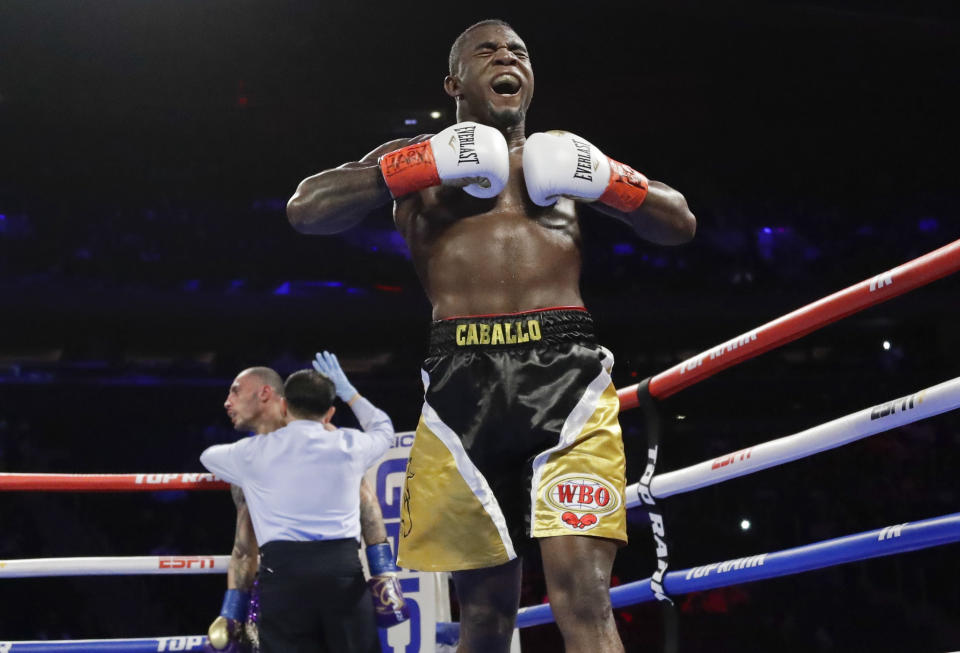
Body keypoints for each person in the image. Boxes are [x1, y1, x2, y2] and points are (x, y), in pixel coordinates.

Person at [286, 19, 696, 653]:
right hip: (460, 383)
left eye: (520, 51)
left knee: (584, 600)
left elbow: (680, 222)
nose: (508, 56)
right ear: (454, 81)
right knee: (483, 613)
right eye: (488, 49)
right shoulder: (414, 160)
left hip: (569, 379)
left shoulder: (565, 157)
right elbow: (306, 209)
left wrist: (609, 178)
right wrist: (417, 165)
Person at [201, 355, 399, 653]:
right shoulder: (343, 443)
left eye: (235, 391)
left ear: (272, 397)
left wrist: (384, 577)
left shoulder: (247, 455)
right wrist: (232, 611)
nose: (227, 402)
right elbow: (244, 543)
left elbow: (367, 504)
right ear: (328, 411)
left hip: (285, 579)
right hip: (322, 575)